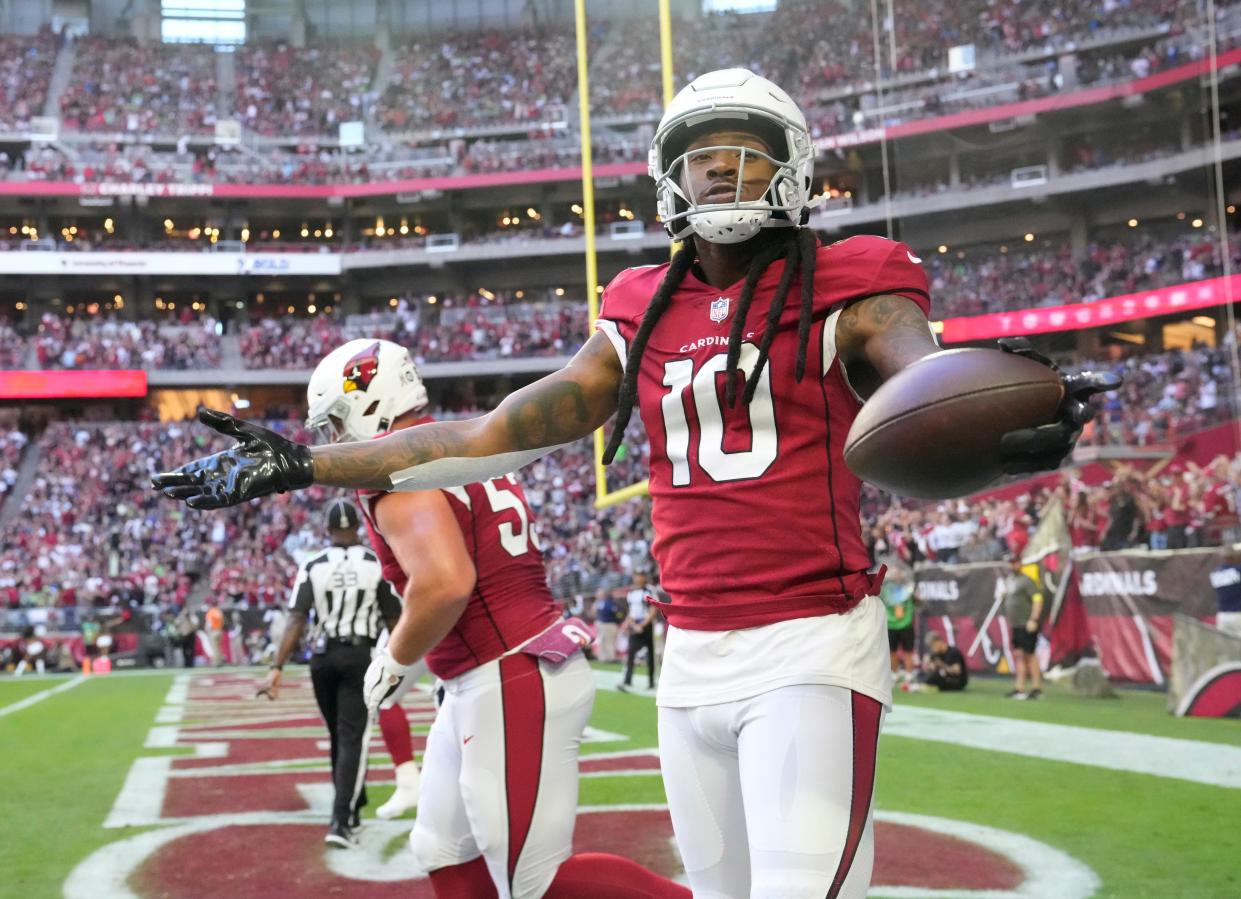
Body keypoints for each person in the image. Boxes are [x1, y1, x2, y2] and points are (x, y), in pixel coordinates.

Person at [155, 69, 1115, 898]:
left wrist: (980, 408)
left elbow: (914, 374)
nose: (725, 173)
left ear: (793, 167)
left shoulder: (850, 278)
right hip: (690, 654)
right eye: (705, 159)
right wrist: (305, 462)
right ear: (669, 177)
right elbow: (490, 433)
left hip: (808, 642)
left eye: (747, 153)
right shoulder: (636, 308)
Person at [308, 339, 690, 898]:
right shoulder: (456, 442)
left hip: (507, 670)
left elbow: (445, 583)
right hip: (503, 666)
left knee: (535, 881)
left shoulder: (398, 466)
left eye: (338, 424)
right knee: (440, 846)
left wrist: (395, 657)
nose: (335, 444)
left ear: (370, 403)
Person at [258, 499, 402, 848]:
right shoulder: (374, 562)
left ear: (327, 530)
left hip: (322, 659)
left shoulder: (313, 563)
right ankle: (342, 821)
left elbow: (296, 617)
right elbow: (393, 618)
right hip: (359, 655)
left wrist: (277, 666)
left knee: (340, 735)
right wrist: (397, 662)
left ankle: (352, 804)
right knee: (353, 737)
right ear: (359, 526)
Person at [1004, 554, 1044, 700]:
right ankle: (1019, 687)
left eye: (1015, 563)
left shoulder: (1027, 581)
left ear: (1020, 564)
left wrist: (1034, 619)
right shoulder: (1009, 581)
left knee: (1030, 655)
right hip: (1015, 624)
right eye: (1010, 563)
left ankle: (1036, 687)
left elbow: (1038, 600)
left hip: (1026, 623)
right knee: (1019, 655)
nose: (1012, 566)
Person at [618, 572, 656, 693]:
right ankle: (627, 681)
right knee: (631, 653)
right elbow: (631, 613)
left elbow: (653, 609)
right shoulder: (631, 593)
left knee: (650, 655)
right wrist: (626, 623)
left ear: (644, 578)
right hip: (635, 625)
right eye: (635, 576)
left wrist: (643, 625)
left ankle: (651, 682)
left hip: (646, 626)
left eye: (639, 575)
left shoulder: (649, 590)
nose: (637, 578)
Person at [880, 562, 917, 684]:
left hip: (906, 624)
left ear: (902, 575)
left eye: (898, 573)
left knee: (908, 651)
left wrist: (916, 597)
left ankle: (908, 674)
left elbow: (919, 603)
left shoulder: (909, 588)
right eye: (893, 573)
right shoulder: (885, 589)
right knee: (892, 651)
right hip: (891, 625)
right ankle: (894, 674)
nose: (896, 576)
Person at [1209, 545, 1241, 639]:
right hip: (1237, 614)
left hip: (1222, 615)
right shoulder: (1237, 571)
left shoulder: (1215, 574)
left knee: (1225, 647)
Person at [592, 587, 621, 663]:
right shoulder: (600, 602)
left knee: (609, 641)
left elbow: (616, 613)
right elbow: (594, 613)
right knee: (603, 641)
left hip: (610, 624)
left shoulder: (610, 602)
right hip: (603, 624)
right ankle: (603, 658)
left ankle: (610, 658)